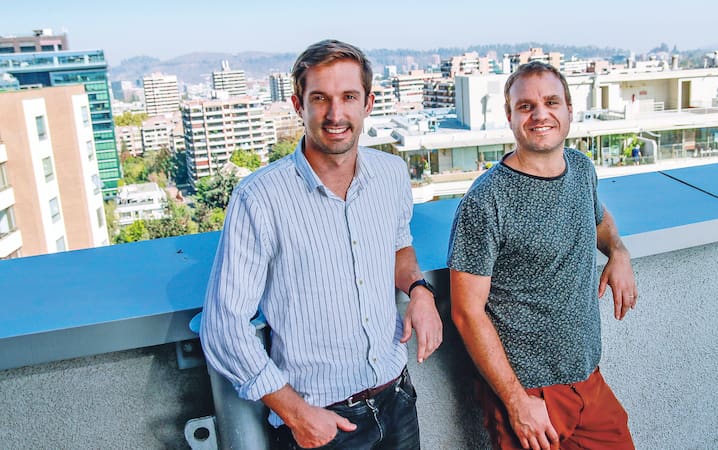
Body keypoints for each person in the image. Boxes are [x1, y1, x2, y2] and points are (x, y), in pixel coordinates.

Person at [200, 39, 442, 450]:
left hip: (397, 399)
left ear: (368, 103)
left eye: (348, 97)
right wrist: (297, 415)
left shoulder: (391, 173)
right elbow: (223, 326)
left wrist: (419, 290)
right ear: (298, 105)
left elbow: (398, 245)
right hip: (321, 422)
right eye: (320, 98)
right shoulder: (259, 198)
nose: (335, 114)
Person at [448, 61, 638, 450]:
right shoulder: (486, 201)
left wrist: (618, 251)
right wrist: (517, 402)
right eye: (526, 106)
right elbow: (466, 312)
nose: (540, 114)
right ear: (510, 116)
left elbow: (599, 219)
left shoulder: (581, 169)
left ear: (569, 110)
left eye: (551, 102)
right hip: (529, 395)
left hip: (588, 380)